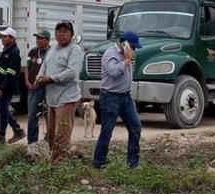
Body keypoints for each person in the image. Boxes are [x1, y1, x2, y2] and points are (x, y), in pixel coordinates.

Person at [92, 31, 143, 169]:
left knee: (136, 127)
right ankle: (99, 163)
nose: (134, 49)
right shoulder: (110, 54)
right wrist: (126, 60)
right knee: (107, 131)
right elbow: (114, 72)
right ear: (124, 43)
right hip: (111, 97)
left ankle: (133, 162)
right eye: (132, 46)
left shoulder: (128, 54)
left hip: (126, 97)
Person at [34, 20, 84, 163]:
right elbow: (44, 64)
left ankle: (58, 165)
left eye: (65, 31)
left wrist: (50, 78)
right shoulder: (53, 48)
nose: (61, 34)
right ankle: (72, 154)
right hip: (52, 98)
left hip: (66, 97)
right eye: (58, 31)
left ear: (71, 34)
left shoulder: (75, 50)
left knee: (62, 134)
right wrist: (39, 77)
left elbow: (71, 73)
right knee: (51, 134)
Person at [0, 27, 25, 145]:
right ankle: (17, 129)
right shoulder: (6, 50)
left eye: (5, 36)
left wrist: (2, 88)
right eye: (2, 36)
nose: (2, 38)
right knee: (2, 109)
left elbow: (10, 74)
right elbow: (0, 69)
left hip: (8, 87)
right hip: (2, 85)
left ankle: (2, 136)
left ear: (12, 38)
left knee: (2, 109)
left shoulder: (14, 53)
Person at [24, 29, 51, 145]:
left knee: (48, 114)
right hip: (33, 88)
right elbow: (27, 67)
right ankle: (32, 141)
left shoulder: (52, 52)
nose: (38, 40)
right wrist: (27, 81)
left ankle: (49, 139)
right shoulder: (33, 52)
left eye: (41, 38)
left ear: (47, 40)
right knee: (32, 115)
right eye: (37, 38)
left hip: (47, 88)